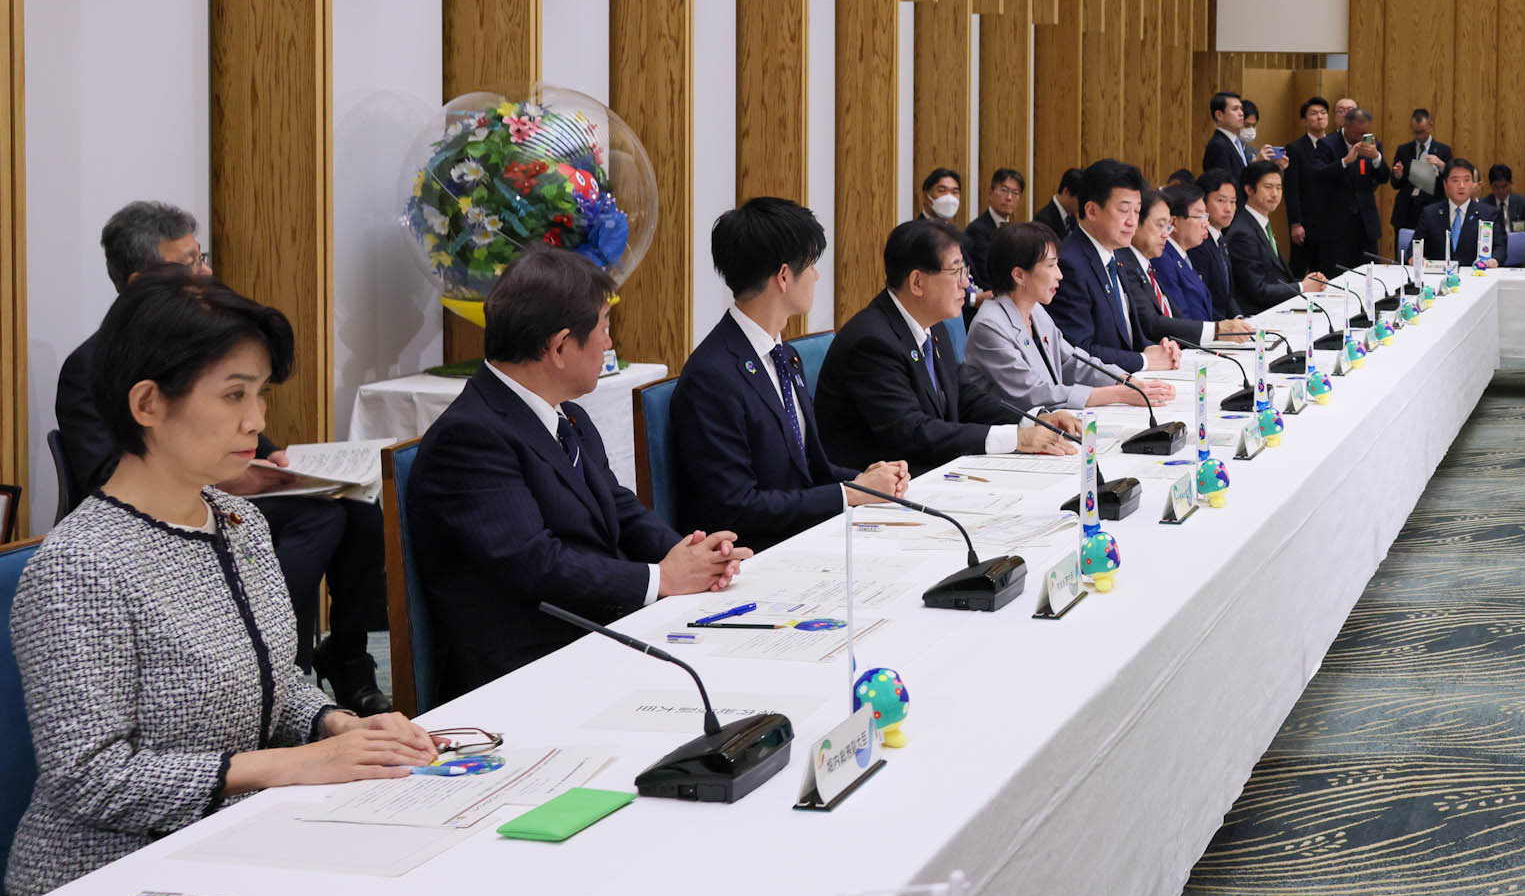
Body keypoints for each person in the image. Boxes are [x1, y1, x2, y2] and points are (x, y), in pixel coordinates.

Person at [6, 273, 439, 896]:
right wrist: (290, 765)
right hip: (105, 884)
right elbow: (91, 779)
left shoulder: (236, 520)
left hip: (232, 842)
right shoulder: (82, 564)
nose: (257, 421)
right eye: (234, 395)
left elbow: (274, 681)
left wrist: (336, 724)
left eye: (259, 394)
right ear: (148, 404)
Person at [57, 205, 389, 712]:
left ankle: (342, 655)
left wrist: (325, 723)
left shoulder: (242, 525)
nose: (205, 272)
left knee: (356, 504)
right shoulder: (80, 568)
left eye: (201, 257)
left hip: (219, 499)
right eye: (188, 264)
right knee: (317, 520)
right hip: (157, 513)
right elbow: (103, 471)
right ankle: (296, 656)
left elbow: (282, 711)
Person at [408, 248, 748, 698]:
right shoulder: (471, 438)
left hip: (595, 630)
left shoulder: (566, 415)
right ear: (561, 346)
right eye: (605, 328)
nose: (609, 343)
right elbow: (538, 566)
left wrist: (692, 555)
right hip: (526, 671)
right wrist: (661, 579)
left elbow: (619, 507)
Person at [669, 198, 911, 553]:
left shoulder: (786, 357)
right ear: (783, 276)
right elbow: (737, 507)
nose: (816, 276)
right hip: (755, 555)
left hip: (804, 536)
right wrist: (852, 493)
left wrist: (869, 480)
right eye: (811, 265)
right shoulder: (712, 376)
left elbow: (810, 469)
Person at [817, 219, 1081, 471]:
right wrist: (1017, 438)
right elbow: (913, 431)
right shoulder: (872, 342)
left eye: (965, 271)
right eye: (956, 272)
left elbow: (964, 395)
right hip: (883, 491)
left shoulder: (934, 327)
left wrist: (1033, 418)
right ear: (917, 282)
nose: (966, 284)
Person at [963, 221, 1177, 415]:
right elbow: (1034, 393)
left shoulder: (1036, 311)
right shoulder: (990, 325)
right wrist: (1119, 394)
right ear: (1019, 275)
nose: (1060, 274)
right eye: (1050, 265)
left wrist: (1126, 380)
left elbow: (1072, 361)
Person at [1045, 160, 1186, 375]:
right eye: (1123, 210)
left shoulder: (1115, 254)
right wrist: (1144, 360)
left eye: (1137, 211)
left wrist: (1157, 349)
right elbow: (1078, 350)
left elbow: (1127, 334)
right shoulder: (1070, 263)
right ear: (1091, 210)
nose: (1132, 222)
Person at [1119, 188, 1251, 348]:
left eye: (1167, 227)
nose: (1165, 234)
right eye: (1160, 225)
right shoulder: (1132, 264)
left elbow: (1176, 316)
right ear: (1135, 223)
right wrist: (1216, 330)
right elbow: (1152, 323)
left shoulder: (1148, 263)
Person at [1226, 160, 1329, 310]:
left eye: (1279, 188)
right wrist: (1302, 287)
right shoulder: (1242, 233)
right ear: (1249, 189)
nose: (1275, 194)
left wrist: (1311, 282)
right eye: (1268, 187)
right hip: (1258, 316)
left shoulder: (1261, 224)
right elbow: (1258, 290)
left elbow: (1277, 278)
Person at [1316, 104, 1390, 270]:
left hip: (1366, 225)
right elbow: (1318, 175)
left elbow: (1384, 177)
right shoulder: (1327, 144)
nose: (1361, 138)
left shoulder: (1372, 144)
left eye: (1364, 133)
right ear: (1346, 126)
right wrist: (1345, 161)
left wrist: (1377, 157)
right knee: (1337, 276)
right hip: (1336, 226)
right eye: (1357, 133)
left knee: (1369, 274)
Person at [1284, 95, 1340, 273]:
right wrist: (1295, 223)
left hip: (1332, 222)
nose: (1320, 117)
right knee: (1300, 269)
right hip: (1307, 222)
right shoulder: (1295, 148)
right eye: (1314, 113)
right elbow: (1291, 188)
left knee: (1328, 271)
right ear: (1304, 121)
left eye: (1323, 113)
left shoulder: (1336, 145)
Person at [1415, 159, 1501, 266]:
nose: (1461, 186)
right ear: (1445, 184)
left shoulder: (1488, 213)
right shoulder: (1430, 213)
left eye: (1466, 180)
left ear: (1473, 184)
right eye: (1455, 180)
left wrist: (1494, 261)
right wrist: (1417, 258)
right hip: (1438, 277)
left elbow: (1500, 248)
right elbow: (1415, 247)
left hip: (1477, 275)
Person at [1391, 109, 1451, 255]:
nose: (1419, 136)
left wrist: (1442, 165)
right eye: (1415, 132)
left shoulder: (1443, 150)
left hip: (1432, 206)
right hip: (1407, 208)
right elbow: (1395, 183)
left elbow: (1451, 177)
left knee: (1432, 251)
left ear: (1430, 126)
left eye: (1422, 132)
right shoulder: (1404, 149)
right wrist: (1397, 174)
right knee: (1405, 253)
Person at [1187, 171, 1247, 314]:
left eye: (1232, 202)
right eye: (1221, 201)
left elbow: (1229, 296)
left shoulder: (1220, 240)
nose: (1228, 209)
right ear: (1202, 202)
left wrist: (1239, 319)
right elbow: (1203, 301)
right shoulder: (1198, 244)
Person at [962, 167, 1026, 297]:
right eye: (1004, 190)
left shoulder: (1016, 230)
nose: (1009, 197)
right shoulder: (977, 230)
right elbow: (986, 274)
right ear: (990, 192)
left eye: (1015, 193)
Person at [1202, 91, 1251, 176]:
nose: (1241, 113)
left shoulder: (1235, 142)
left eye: (1241, 109)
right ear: (1219, 115)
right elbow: (1223, 184)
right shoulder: (1218, 146)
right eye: (1235, 109)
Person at [1482, 163, 1525, 239]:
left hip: (1517, 245)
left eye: (1504, 186)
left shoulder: (1523, 203)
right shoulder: (1483, 205)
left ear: (1511, 184)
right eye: (1496, 186)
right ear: (1490, 186)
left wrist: (1520, 239)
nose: (1501, 191)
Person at [1037, 168, 1083, 238]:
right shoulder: (1043, 220)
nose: (1083, 205)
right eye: (1080, 199)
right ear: (1066, 192)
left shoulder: (1071, 216)